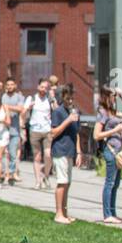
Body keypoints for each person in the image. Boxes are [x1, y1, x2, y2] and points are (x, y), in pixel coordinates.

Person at [94, 87, 122, 224]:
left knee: (116, 184)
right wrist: (115, 130)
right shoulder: (102, 113)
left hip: (118, 152)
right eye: (113, 96)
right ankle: (107, 214)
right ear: (106, 97)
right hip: (110, 151)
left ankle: (113, 213)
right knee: (109, 183)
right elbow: (96, 135)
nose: (114, 98)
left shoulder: (112, 112)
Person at [49, 85, 80, 224]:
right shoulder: (58, 112)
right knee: (61, 182)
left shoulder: (73, 112)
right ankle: (58, 214)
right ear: (62, 97)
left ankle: (65, 213)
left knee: (67, 183)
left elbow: (77, 134)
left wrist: (79, 152)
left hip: (70, 151)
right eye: (68, 98)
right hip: (60, 150)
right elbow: (53, 133)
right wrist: (67, 121)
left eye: (72, 98)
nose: (70, 101)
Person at [25, 78, 54, 189]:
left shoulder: (49, 99)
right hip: (35, 130)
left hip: (47, 130)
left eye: (46, 88)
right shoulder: (32, 98)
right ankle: (38, 181)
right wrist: (29, 107)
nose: (44, 89)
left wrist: (53, 98)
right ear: (38, 87)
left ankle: (46, 175)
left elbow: (55, 110)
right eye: (42, 87)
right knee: (37, 157)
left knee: (48, 155)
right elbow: (24, 112)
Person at [0, 78, 25, 185]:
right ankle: (2, 173)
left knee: (13, 154)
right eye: (8, 84)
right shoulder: (2, 97)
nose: (10, 86)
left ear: (15, 86)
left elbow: (20, 109)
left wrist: (7, 107)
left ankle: (10, 174)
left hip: (15, 130)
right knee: (1, 153)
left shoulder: (19, 97)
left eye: (11, 84)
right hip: (2, 130)